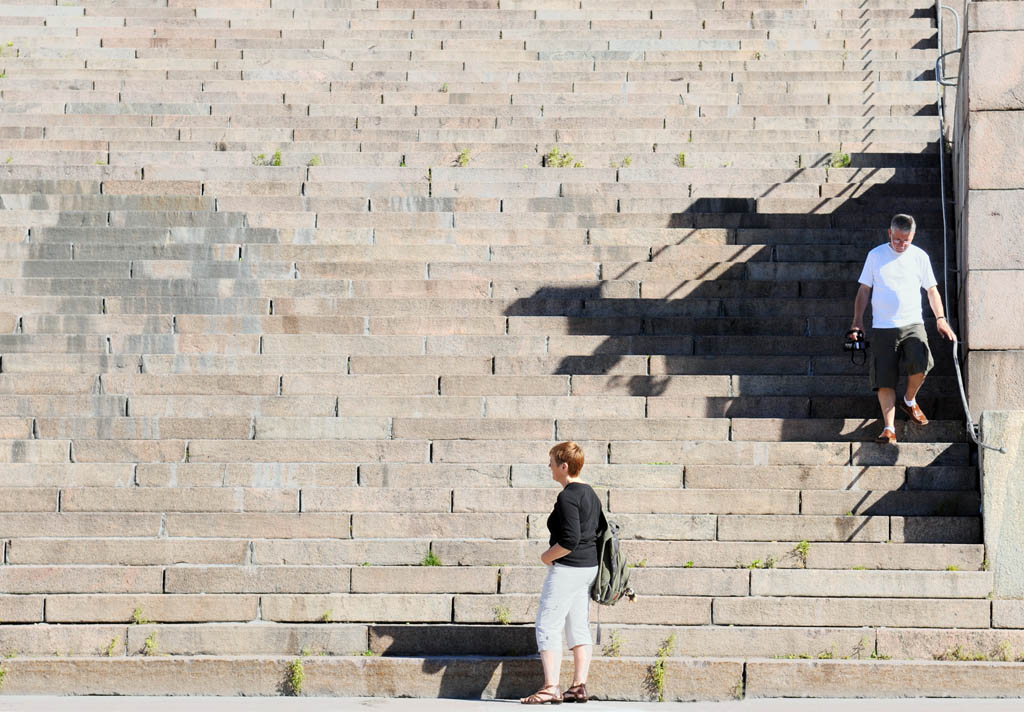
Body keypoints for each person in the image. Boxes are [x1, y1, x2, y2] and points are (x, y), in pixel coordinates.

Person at [850, 214, 957, 444]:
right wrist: (857, 321)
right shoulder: (876, 255)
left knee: (921, 362)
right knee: (884, 378)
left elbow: (931, 290)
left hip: (912, 324)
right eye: (897, 239)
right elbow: (864, 290)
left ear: (913, 236)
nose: (901, 245)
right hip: (882, 327)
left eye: (906, 240)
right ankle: (889, 429)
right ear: (890, 233)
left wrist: (940, 318)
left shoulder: (920, 256)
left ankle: (909, 401)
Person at [520, 441, 603, 705]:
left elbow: (569, 540)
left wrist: (546, 557)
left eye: (552, 463)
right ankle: (578, 686)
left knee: (547, 624)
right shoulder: (590, 493)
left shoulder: (568, 496)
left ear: (563, 466)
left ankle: (550, 687)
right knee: (578, 625)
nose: (549, 467)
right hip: (588, 568)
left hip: (568, 569)